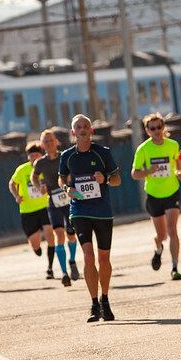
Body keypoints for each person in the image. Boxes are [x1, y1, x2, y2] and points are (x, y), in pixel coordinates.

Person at [59, 114, 122, 322]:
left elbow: (117, 180)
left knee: (104, 258)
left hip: (102, 211)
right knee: (88, 257)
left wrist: (105, 179)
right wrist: (67, 188)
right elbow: (62, 179)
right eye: (79, 126)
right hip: (79, 210)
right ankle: (94, 304)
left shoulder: (103, 152)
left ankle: (105, 299)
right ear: (73, 132)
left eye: (86, 125)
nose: (83, 129)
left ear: (91, 130)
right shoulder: (67, 156)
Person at [132, 112, 181, 280]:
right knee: (162, 235)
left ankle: (174, 267)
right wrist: (148, 171)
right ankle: (158, 250)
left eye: (159, 127)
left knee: (173, 230)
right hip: (154, 195)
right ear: (147, 130)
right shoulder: (143, 149)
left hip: (172, 192)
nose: (157, 130)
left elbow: (180, 163)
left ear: (164, 127)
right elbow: (135, 173)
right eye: (153, 128)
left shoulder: (172, 145)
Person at [32, 129, 80, 287]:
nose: (49, 143)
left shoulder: (64, 157)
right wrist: (40, 187)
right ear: (42, 145)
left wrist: (70, 179)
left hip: (69, 200)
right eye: (45, 141)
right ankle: (64, 273)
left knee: (71, 234)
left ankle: (72, 261)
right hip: (53, 202)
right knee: (59, 234)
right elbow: (34, 176)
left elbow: (74, 171)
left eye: (51, 140)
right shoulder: (40, 162)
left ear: (57, 142)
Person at [8, 141, 54, 276]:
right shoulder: (22, 170)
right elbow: (12, 184)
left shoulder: (46, 167)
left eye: (36, 155)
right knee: (35, 242)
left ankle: (50, 268)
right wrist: (17, 196)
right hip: (28, 210)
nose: (34, 158)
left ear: (41, 155)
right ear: (28, 157)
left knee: (50, 234)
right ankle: (37, 248)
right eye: (31, 155)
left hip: (45, 206)